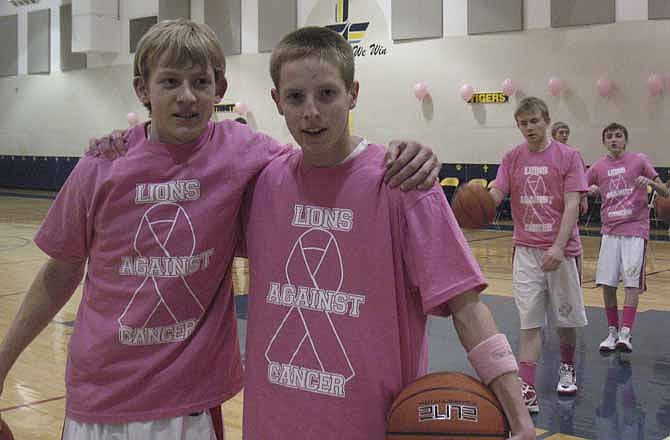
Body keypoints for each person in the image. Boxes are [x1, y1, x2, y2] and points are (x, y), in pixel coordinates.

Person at [0, 19, 439, 440]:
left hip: (190, 401)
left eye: (201, 83)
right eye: (170, 82)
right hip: (99, 394)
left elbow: (325, 154)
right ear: (142, 90)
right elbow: (59, 274)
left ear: (220, 89)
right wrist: (4, 360)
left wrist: (402, 152)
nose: (187, 96)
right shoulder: (102, 164)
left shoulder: (244, 152)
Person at [239, 26, 535, 439]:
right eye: (295, 97)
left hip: (371, 426)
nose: (311, 111)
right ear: (277, 100)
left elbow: (467, 309)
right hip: (270, 425)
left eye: (326, 93)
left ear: (352, 93)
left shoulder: (402, 182)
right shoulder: (261, 184)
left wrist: (519, 419)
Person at [489, 97, 588, 413]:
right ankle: (527, 387)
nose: (529, 128)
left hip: (561, 249)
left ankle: (567, 366)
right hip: (526, 250)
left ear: (546, 121)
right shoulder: (512, 157)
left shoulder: (569, 156)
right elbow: (496, 192)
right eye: (523, 123)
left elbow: (572, 204)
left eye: (534, 121)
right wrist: (479, 202)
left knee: (565, 318)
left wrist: (559, 246)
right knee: (529, 320)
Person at [586, 123, 668, 353]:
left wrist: (650, 183)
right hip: (610, 231)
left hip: (635, 229)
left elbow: (665, 191)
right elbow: (580, 186)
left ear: (625, 140)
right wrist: (588, 190)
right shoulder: (598, 166)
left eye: (618, 136)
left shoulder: (639, 160)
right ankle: (612, 331)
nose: (614, 140)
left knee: (632, 282)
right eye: (609, 136)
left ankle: (626, 333)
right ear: (604, 142)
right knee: (608, 283)